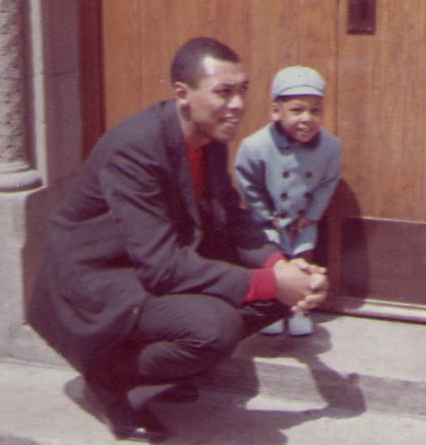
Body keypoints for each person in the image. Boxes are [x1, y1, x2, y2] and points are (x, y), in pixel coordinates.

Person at [27, 37, 329, 442]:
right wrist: (272, 281)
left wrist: (283, 266)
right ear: (182, 95)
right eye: (224, 92)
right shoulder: (135, 147)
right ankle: (107, 376)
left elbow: (235, 219)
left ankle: (176, 362)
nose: (238, 104)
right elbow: (162, 265)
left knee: (278, 295)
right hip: (101, 275)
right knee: (214, 329)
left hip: (155, 259)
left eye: (242, 90)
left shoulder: (212, 137)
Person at [234, 66, 341, 336]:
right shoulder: (255, 146)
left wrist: (311, 215)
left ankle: (299, 310)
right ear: (275, 111)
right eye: (297, 110)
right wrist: (264, 215)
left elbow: (328, 181)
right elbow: (248, 183)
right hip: (269, 220)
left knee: (303, 261)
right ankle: (269, 312)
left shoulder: (330, 146)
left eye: (315, 110)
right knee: (270, 263)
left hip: (303, 221)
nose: (307, 118)